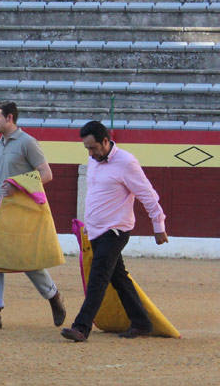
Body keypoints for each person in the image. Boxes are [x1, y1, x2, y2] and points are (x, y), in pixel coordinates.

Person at [61, 121, 168, 342]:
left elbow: (147, 194)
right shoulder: (94, 160)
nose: (90, 153)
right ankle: (141, 322)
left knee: (98, 277)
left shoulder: (126, 163)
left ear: (106, 141)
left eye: (93, 147)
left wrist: (159, 226)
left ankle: (81, 327)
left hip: (116, 230)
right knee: (119, 278)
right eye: (87, 148)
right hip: (97, 231)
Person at [0, 101, 66, 330]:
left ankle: (53, 296)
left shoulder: (28, 143)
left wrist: (18, 186)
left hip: (21, 213)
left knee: (27, 261)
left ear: (9, 118)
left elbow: (46, 174)